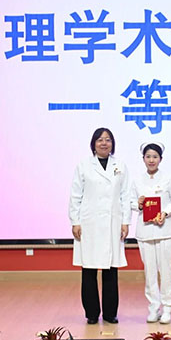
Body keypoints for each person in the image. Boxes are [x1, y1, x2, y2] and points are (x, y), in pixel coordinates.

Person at [69, 128, 131, 325]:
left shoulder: (120, 165)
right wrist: (75, 221)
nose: (104, 143)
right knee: (88, 270)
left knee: (111, 269)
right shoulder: (84, 165)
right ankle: (92, 313)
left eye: (108, 140)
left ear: (113, 144)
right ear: (93, 144)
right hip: (89, 224)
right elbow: (75, 195)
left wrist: (125, 221)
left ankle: (110, 313)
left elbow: (125, 195)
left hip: (113, 222)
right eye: (100, 140)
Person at [131, 142, 171, 324]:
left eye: (155, 157)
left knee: (166, 271)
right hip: (145, 232)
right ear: (143, 158)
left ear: (160, 159)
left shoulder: (169, 178)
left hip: (165, 231)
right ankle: (153, 307)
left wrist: (165, 212)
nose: (151, 160)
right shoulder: (137, 180)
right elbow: (130, 202)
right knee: (150, 272)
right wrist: (138, 204)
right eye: (148, 157)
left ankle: (167, 308)